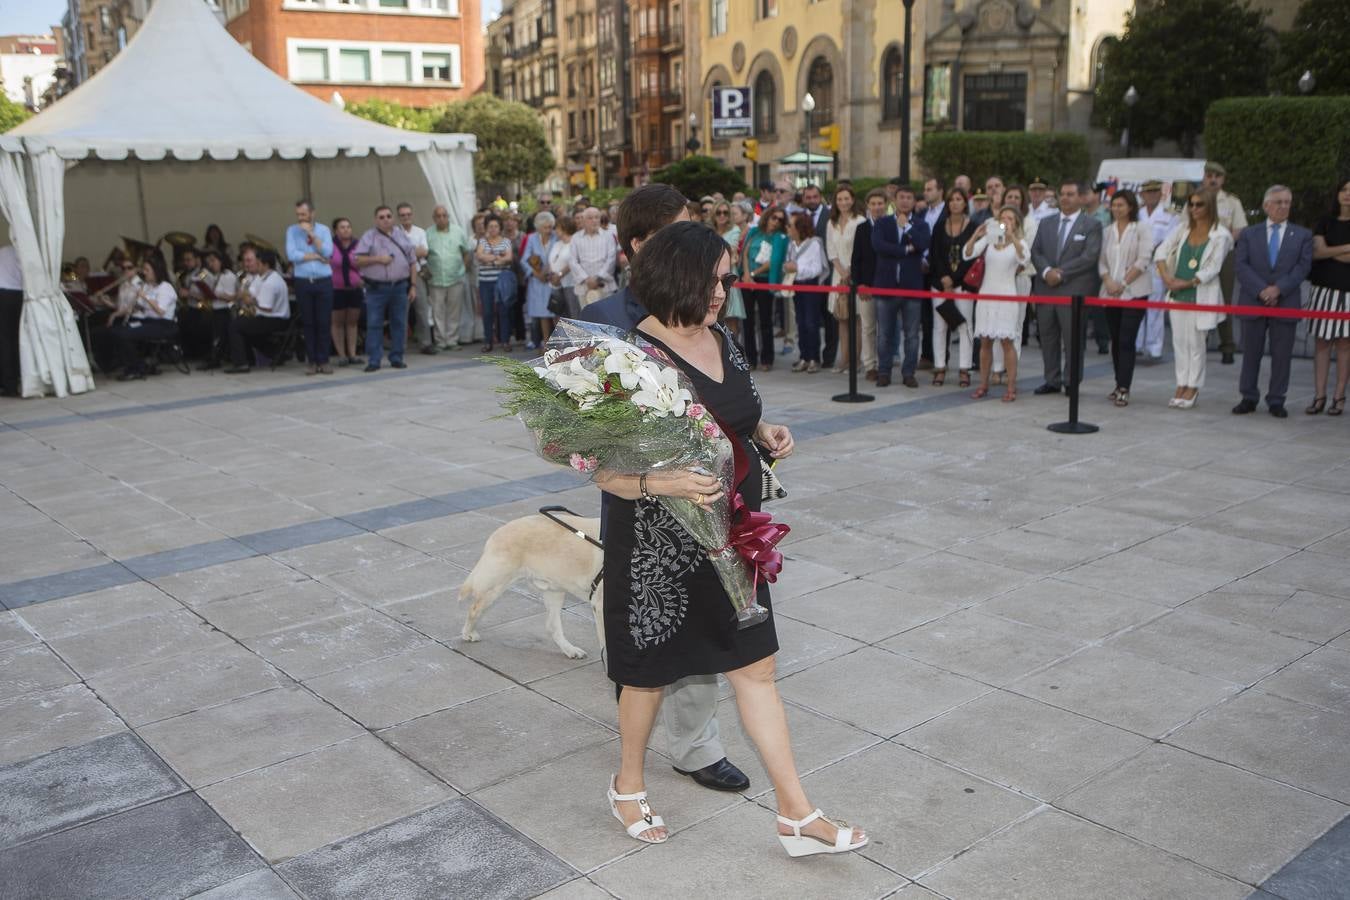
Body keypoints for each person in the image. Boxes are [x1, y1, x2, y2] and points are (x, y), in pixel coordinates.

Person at [598, 221, 866, 856]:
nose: (724, 291)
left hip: (734, 537)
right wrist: (661, 482)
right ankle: (628, 785)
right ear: (677, 277)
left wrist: (764, 432)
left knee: (757, 667)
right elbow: (601, 469)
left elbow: (736, 414)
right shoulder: (627, 361)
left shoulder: (724, 339)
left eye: (727, 278)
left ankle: (796, 814)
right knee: (649, 675)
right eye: (714, 279)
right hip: (658, 550)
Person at [581, 185, 753, 797]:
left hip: (711, 509)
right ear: (638, 246)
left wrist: (757, 432)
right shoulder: (602, 321)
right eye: (676, 233)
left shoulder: (708, 308)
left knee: (707, 625)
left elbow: (726, 395)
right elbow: (583, 434)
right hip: (641, 504)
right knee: (645, 632)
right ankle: (632, 751)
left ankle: (697, 746)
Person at [1232, 185, 1313, 418]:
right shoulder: (1249, 234)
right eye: (1279, 202)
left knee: (1282, 355)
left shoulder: (1302, 235)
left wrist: (1278, 289)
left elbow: (1302, 267)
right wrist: (1261, 290)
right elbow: (1241, 265)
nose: (1284, 206)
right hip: (1253, 300)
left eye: (1287, 202)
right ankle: (1248, 397)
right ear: (1266, 205)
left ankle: (1277, 399)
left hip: (1285, 302)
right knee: (1250, 354)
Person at [1155, 189, 1233, 409]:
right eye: (1191, 204)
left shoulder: (1221, 235)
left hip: (1200, 294)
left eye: (1199, 204)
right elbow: (1160, 252)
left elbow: (1212, 269)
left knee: (1196, 343)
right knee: (1179, 342)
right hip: (1177, 294)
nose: (1194, 209)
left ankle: (1193, 386)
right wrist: (1166, 277)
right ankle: (1181, 383)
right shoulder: (1182, 229)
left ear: (1210, 206)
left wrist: (1186, 283)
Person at [1030, 180, 1103, 394]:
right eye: (1062, 194)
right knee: (1048, 338)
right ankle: (1051, 380)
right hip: (1046, 289)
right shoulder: (1046, 223)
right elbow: (1036, 251)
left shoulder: (1091, 225)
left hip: (1073, 291)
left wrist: (1060, 273)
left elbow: (1089, 256)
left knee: (1073, 340)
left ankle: (1071, 382)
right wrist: (1046, 272)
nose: (1064, 198)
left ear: (1081, 198)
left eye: (1070, 194)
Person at [966, 206, 1030, 402]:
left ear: (1016, 222)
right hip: (986, 295)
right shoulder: (989, 240)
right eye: (1002, 218)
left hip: (1007, 296)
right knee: (985, 342)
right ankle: (983, 385)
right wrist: (976, 235)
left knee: (1007, 342)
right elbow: (968, 253)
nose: (1005, 221)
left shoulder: (1020, 242)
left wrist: (1012, 237)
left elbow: (1024, 259)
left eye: (1010, 218)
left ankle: (1011, 387)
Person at [1097, 189, 1155, 407]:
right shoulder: (1107, 231)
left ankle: (1124, 387)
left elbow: (1144, 259)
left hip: (1134, 292)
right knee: (1115, 339)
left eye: (1121, 205)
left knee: (1126, 340)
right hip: (1110, 292)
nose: (1116, 209)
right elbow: (1101, 261)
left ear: (1131, 207)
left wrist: (1123, 283)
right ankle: (1117, 383)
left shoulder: (1141, 228)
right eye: (1114, 205)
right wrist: (1108, 281)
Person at [872, 184, 931, 388]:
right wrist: (906, 249)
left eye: (909, 197)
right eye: (901, 197)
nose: (905, 201)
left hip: (911, 287)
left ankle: (908, 373)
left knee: (912, 335)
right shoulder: (883, 223)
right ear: (894, 200)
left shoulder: (921, 225)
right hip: (886, 286)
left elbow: (923, 244)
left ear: (914, 201)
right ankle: (884, 371)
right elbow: (879, 246)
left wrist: (907, 228)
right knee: (884, 334)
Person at [354, 205, 419, 372]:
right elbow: (358, 260)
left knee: (399, 323)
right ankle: (374, 360)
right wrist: (378, 259)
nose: (386, 220)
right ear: (376, 220)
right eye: (381, 217)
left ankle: (397, 357)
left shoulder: (401, 236)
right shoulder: (369, 236)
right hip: (376, 288)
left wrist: (413, 286)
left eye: (388, 216)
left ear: (393, 218)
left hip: (399, 286)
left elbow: (412, 262)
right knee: (374, 323)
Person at [1307, 179, 1350, 416]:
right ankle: (1319, 395)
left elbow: (1327, 252)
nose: (1347, 194)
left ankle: (1339, 397)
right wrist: (1346, 248)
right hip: (1323, 290)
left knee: (1344, 345)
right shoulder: (1324, 221)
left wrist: (1330, 251)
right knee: (1322, 344)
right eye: (1343, 190)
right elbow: (1318, 252)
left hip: (1348, 292)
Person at [928, 187, 978, 387]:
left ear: (965, 203)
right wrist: (944, 278)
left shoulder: (973, 226)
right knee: (940, 326)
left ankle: (965, 369)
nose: (955, 203)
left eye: (958, 199)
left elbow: (972, 257)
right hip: (940, 284)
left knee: (965, 326)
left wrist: (955, 279)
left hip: (963, 284)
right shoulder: (940, 226)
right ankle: (940, 367)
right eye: (951, 199)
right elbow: (934, 255)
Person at [1202, 162, 1249, 365]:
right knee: (1200, 298)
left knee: (1224, 299)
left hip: (1224, 255)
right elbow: (1185, 225)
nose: (1213, 180)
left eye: (1217, 176)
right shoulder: (1194, 200)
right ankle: (1200, 343)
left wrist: (1221, 244)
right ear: (1204, 177)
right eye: (1209, 176)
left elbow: (1239, 229)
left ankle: (1227, 346)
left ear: (1223, 179)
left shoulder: (1232, 202)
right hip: (1199, 254)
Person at [105, 254, 179, 381]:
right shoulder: (147, 286)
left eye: (147, 270)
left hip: (163, 324)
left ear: (156, 271)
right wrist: (130, 307)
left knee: (125, 335)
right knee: (116, 331)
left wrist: (145, 297)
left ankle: (136, 368)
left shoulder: (165, 287)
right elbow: (140, 307)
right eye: (144, 269)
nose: (144, 273)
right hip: (147, 321)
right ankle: (139, 364)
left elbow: (160, 311)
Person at [286, 199, 336, 375]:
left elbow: (328, 252)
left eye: (304, 214)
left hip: (323, 280)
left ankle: (324, 359)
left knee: (324, 321)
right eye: (298, 214)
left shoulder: (323, 230)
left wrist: (312, 236)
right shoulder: (292, 231)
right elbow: (292, 254)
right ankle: (312, 360)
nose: (301, 218)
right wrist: (315, 256)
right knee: (308, 322)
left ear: (312, 214)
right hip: (303, 280)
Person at [224, 247, 289, 374]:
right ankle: (275, 354)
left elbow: (266, 307)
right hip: (269, 317)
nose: (256, 266)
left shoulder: (271, 282)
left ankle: (241, 363)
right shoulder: (263, 277)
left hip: (275, 319)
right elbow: (252, 293)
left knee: (235, 326)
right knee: (242, 324)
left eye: (258, 263)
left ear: (266, 265)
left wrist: (251, 302)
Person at [743, 205, 789, 372]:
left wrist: (754, 273)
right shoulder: (754, 232)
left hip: (765, 280)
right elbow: (745, 253)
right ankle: (750, 358)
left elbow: (774, 261)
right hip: (747, 280)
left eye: (780, 220)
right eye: (774, 217)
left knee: (765, 320)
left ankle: (767, 358)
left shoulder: (780, 238)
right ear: (767, 216)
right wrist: (747, 274)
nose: (776, 221)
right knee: (747, 321)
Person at [1135, 180, 1177, 362]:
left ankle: (1154, 347)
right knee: (1137, 305)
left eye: (1155, 192)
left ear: (1161, 194)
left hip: (1157, 265)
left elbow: (1171, 240)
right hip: (1137, 266)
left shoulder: (1170, 215)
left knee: (1155, 306)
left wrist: (1152, 252)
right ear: (1142, 195)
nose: (1151, 195)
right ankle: (1137, 344)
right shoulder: (1136, 214)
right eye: (1148, 192)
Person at [423, 205, 475, 352]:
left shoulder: (458, 232)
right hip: (435, 279)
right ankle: (440, 341)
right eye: (438, 216)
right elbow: (424, 255)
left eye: (444, 215)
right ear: (434, 218)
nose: (441, 219)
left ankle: (452, 340)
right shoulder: (428, 233)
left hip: (455, 278)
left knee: (454, 311)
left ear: (448, 217)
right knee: (437, 312)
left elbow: (466, 252)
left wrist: (463, 269)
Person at [825, 185, 864, 374]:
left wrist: (850, 273)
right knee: (842, 318)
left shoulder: (860, 221)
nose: (843, 202)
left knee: (856, 319)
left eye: (846, 198)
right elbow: (831, 251)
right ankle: (844, 359)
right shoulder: (831, 222)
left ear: (853, 199)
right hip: (838, 275)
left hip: (855, 274)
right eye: (839, 199)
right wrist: (841, 273)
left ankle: (856, 361)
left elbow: (861, 250)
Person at [850, 189, 887, 382]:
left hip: (887, 285)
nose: (877, 207)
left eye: (880, 203)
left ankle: (885, 364)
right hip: (866, 286)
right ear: (868, 206)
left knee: (886, 329)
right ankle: (870, 365)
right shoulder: (862, 228)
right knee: (868, 327)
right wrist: (860, 284)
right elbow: (856, 259)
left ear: (886, 205)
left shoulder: (891, 225)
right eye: (873, 204)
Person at [784, 212, 829, 373]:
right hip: (796, 285)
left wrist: (797, 268)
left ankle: (814, 358)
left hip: (810, 286)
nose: (787, 228)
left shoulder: (814, 243)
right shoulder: (791, 244)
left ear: (800, 227)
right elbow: (788, 263)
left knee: (811, 323)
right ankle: (804, 356)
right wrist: (787, 267)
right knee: (801, 322)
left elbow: (817, 269)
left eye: (790, 225)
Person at [475, 213, 515, 353]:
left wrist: (489, 259)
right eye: (490, 226)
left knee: (504, 311)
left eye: (496, 226)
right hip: (485, 282)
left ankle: (505, 341)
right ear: (486, 227)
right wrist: (498, 258)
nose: (493, 229)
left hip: (502, 282)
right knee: (487, 312)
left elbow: (509, 258)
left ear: (500, 227)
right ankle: (488, 341)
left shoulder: (506, 241)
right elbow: (479, 256)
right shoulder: (482, 241)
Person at [329, 217, 364, 367]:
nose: (346, 230)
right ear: (336, 231)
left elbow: (363, 263)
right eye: (342, 227)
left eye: (348, 226)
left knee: (352, 322)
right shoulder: (330, 245)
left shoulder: (358, 244)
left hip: (354, 288)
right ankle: (341, 355)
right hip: (336, 288)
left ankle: (352, 354)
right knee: (337, 322)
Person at [523, 211, 559, 344]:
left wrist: (550, 270)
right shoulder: (532, 238)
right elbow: (524, 259)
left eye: (550, 227)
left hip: (553, 279)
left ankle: (559, 343)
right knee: (542, 313)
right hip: (537, 281)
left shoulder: (556, 236)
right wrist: (535, 273)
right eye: (545, 227)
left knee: (556, 312)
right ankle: (545, 342)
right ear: (538, 227)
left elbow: (560, 255)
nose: (549, 230)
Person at [569, 207, 618, 307]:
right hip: (584, 287)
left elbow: (611, 259)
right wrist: (586, 279)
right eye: (590, 218)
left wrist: (598, 278)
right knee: (586, 315)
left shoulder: (608, 236)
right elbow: (573, 261)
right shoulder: (576, 238)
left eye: (596, 217)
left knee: (607, 315)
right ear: (583, 220)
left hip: (604, 285)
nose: (594, 220)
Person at [199, 249, 237, 370]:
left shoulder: (228, 276)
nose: (211, 264)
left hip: (224, 310)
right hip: (215, 308)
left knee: (219, 335)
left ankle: (217, 357)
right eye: (209, 262)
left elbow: (232, 297)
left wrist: (216, 295)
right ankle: (213, 355)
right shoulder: (216, 275)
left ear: (221, 261)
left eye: (213, 261)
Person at [714, 200, 745, 336]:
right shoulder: (708, 230)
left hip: (728, 276)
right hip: (711, 278)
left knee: (731, 319)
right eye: (718, 212)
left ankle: (734, 347)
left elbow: (731, 250)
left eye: (725, 213)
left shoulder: (734, 230)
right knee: (714, 318)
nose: (722, 215)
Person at [0, 245, 24, 396]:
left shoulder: (3, 251)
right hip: (19, 295)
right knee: (17, 339)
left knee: (5, 341)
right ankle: (17, 379)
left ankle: (9, 384)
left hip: (3, 294)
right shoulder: (26, 251)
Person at [548, 214, 578, 319]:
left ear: (564, 227)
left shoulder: (575, 242)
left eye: (557, 227)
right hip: (556, 284)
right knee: (559, 315)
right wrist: (552, 276)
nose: (555, 230)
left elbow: (573, 262)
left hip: (570, 284)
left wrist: (560, 275)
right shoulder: (557, 243)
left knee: (573, 315)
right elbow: (551, 261)